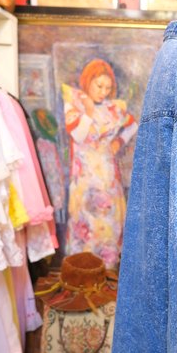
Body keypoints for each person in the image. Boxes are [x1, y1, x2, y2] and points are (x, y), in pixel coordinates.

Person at [62, 59, 137, 268]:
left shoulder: (113, 108)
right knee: (86, 224)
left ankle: (108, 271)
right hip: (85, 180)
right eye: (99, 86)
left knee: (109, 226)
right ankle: (83, 274)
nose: (103, 92)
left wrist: (119, 141)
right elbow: (78, 135)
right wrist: (88, 111)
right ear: (88, 81)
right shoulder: (74, 105)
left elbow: (133, 125)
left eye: (108, 88)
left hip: (108, 178)